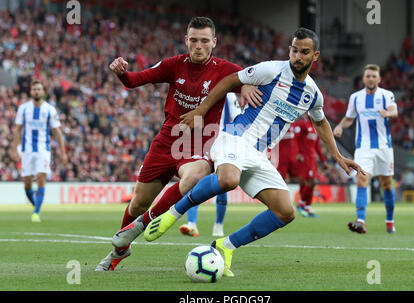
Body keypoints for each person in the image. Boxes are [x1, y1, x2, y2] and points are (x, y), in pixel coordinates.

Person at [143, 28, 365, 277]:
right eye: (294, 50)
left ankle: (225, 247)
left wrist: (337, 156)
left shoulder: (312, 94)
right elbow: (230, 80)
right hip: (235, 138)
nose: (297, 56)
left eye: (304, 52)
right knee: (228, 179)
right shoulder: (271, 70)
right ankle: (173, 214)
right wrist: (202, 110)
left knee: (285, 212)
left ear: (315, 56)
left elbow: (321, 122)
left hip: (258, 154)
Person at [95, 17, 258, 271]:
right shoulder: (174, 65)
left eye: (205, 41)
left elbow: (251, 76)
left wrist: (246, 84)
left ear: (214, 42)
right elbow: (135, 80)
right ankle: (119, 252)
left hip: (199, 145)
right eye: (193, 40)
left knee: (194, 176)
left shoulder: (225, 69)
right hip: (166, 143)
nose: (198, 46)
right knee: (137, 203)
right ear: (186, 40)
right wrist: (122, 73)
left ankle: (141, 224)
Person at [333, 64, 398, 234]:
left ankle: (390, 220)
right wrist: (340, 126)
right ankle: (361, 220)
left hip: (384, 147)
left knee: (387, 185)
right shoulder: (356, 98)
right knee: (362, 180)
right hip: (363, 147)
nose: (370, 78)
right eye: (367, 76)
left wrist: (387, 114)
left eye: (373, 76)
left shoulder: (386, 95)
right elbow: (349, 118)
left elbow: (394, 111)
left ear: (379, 79)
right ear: (363, 79)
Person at [179, 93, 242, 237]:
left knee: (221, 184)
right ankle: (191, 224)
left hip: (222, 143)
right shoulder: (201, 90)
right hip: (202, 141)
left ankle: (218, 224)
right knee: (195, 180)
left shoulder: (229, 95)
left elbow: (238, 118)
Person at [10, 80, 67, 222]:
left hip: (43, 150)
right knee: (27, 183)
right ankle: (36, 204)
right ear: (31, 91)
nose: (36, 91)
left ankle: (36, 212)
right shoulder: (23, 108)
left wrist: (62, 151)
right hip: (27, 151)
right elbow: (17, 129)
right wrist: (14, 148)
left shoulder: (50, 109)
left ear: (43, 92)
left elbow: (57, 131)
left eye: (39, 89)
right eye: (34, 89)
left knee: (41, 178)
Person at [293, 115, 328, 218]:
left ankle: (306, 207)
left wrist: (323, 161)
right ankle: (302, 204)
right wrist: (297, 153)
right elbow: (294, 139)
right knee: (310, 182)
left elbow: (317, 146)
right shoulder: (302, 124)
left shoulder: (315, 127)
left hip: (312, 160)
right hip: (304, 159)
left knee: (308, 183)